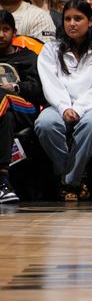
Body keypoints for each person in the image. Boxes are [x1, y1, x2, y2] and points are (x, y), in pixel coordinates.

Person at [35, 0, 92, 200]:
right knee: (44, 124)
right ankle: (76, 177)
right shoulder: (51, 49)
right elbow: (50, 84)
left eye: (78, 18)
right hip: (58, 105)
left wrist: (79, 109)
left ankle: (68, 182)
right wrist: (65, 107)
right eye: (67, 19)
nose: (72, 23)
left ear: (90, 21)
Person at [0, 10, 42, 203]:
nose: (1, 34)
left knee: (2, 96)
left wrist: (16, 86)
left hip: (24, 107)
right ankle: (3, 183)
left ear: (14, 32)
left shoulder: (28, 57)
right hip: (6, 113)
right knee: (4, 116)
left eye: (5, 29)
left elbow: (38, 90)